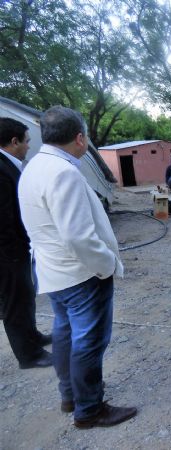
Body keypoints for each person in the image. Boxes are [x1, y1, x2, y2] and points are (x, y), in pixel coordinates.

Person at [18, 106, 136, 428]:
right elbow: (78, 237)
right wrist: (107, 265)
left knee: (66, 335)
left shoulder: (33, 167)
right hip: (81, 274)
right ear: (80, 138)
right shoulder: (64, 172)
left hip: (54, 273)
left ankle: (70, 396)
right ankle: (90, 410)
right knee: (89, 341)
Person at [0, 117, 53, 370]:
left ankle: (32, 336)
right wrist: (14, 253)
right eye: (27, 140)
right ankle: (28, 355)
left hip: (17, 249)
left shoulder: (10, 165)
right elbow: (3, 220)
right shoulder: (1, 169)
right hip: (6, 254)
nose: (29, 146)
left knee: (26, 295)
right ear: (14, 142)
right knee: (13, 302)